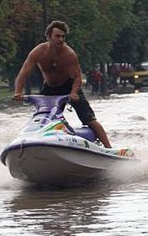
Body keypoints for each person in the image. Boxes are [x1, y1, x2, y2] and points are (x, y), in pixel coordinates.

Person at [12, 20, 112, 148]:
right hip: (49, 88)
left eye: (63, 36)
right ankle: (38, 143)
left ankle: (109, 148)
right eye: (57, 36)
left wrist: (74, 93)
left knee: (89, 119)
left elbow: (77, 77)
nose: (61, 39)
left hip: (69, 87)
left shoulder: (69, 54)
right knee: (43, 119)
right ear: (48, 37)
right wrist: (18, 92)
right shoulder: (38, 52)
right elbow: (24, 73)